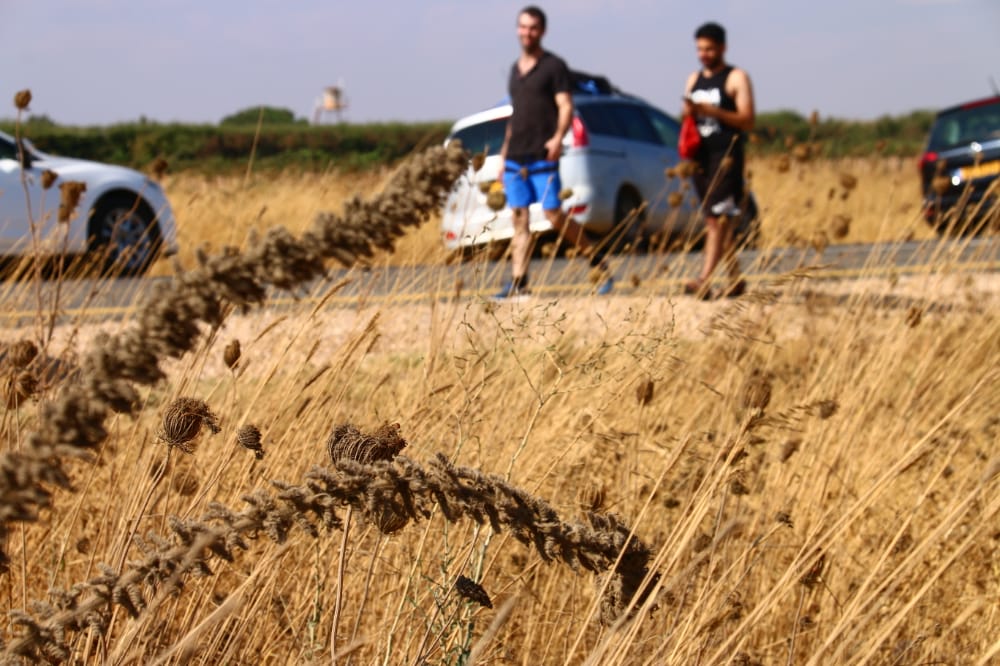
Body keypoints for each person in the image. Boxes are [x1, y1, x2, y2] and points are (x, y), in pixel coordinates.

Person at [495, 6, 612, 299]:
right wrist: (503, 154)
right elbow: (515, 115)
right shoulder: (514, 70)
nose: (527, 32)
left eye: (533, 27)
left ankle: (598, 262)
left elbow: (565, 106)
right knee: (519, 219)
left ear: (542, 31)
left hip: (542, 155)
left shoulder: (554, 66)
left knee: (554, 215)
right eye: (523, 27)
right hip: (515, 158)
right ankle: (519, 282)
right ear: (517, 30)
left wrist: (558, 138)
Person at [682, 21, 755, 299]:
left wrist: (714, 112)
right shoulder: (693, 79)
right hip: (700, 157)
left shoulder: (736, 78)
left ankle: (703, 280)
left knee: (716, 220)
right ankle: (735, 280)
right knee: (718, 222)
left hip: (726, 156)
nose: (704, 54)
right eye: (700, 49)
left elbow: (747, 119)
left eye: (709, 49)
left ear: (722, 48)